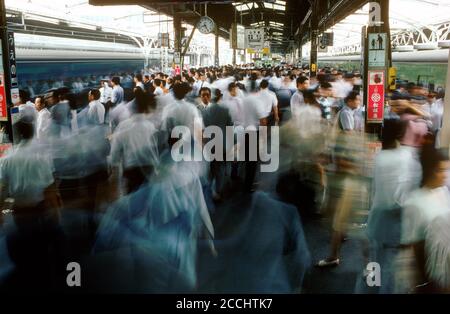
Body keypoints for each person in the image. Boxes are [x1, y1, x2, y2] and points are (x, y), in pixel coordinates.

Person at [400, 142, 450, 293]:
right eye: (441, 170)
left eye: (446, 169)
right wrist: (420, 283)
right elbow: (413, 247)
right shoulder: (415, 202)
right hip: (432, 276)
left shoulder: (442, 191)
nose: (445, 174)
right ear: (430, 170)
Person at [111, 89, 160, 194]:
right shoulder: (151, 126)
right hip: (150, 169)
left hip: (131, 171)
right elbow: (156, 150)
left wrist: (114, 168)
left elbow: (115, 152)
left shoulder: (123, 126)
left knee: (133, 203)